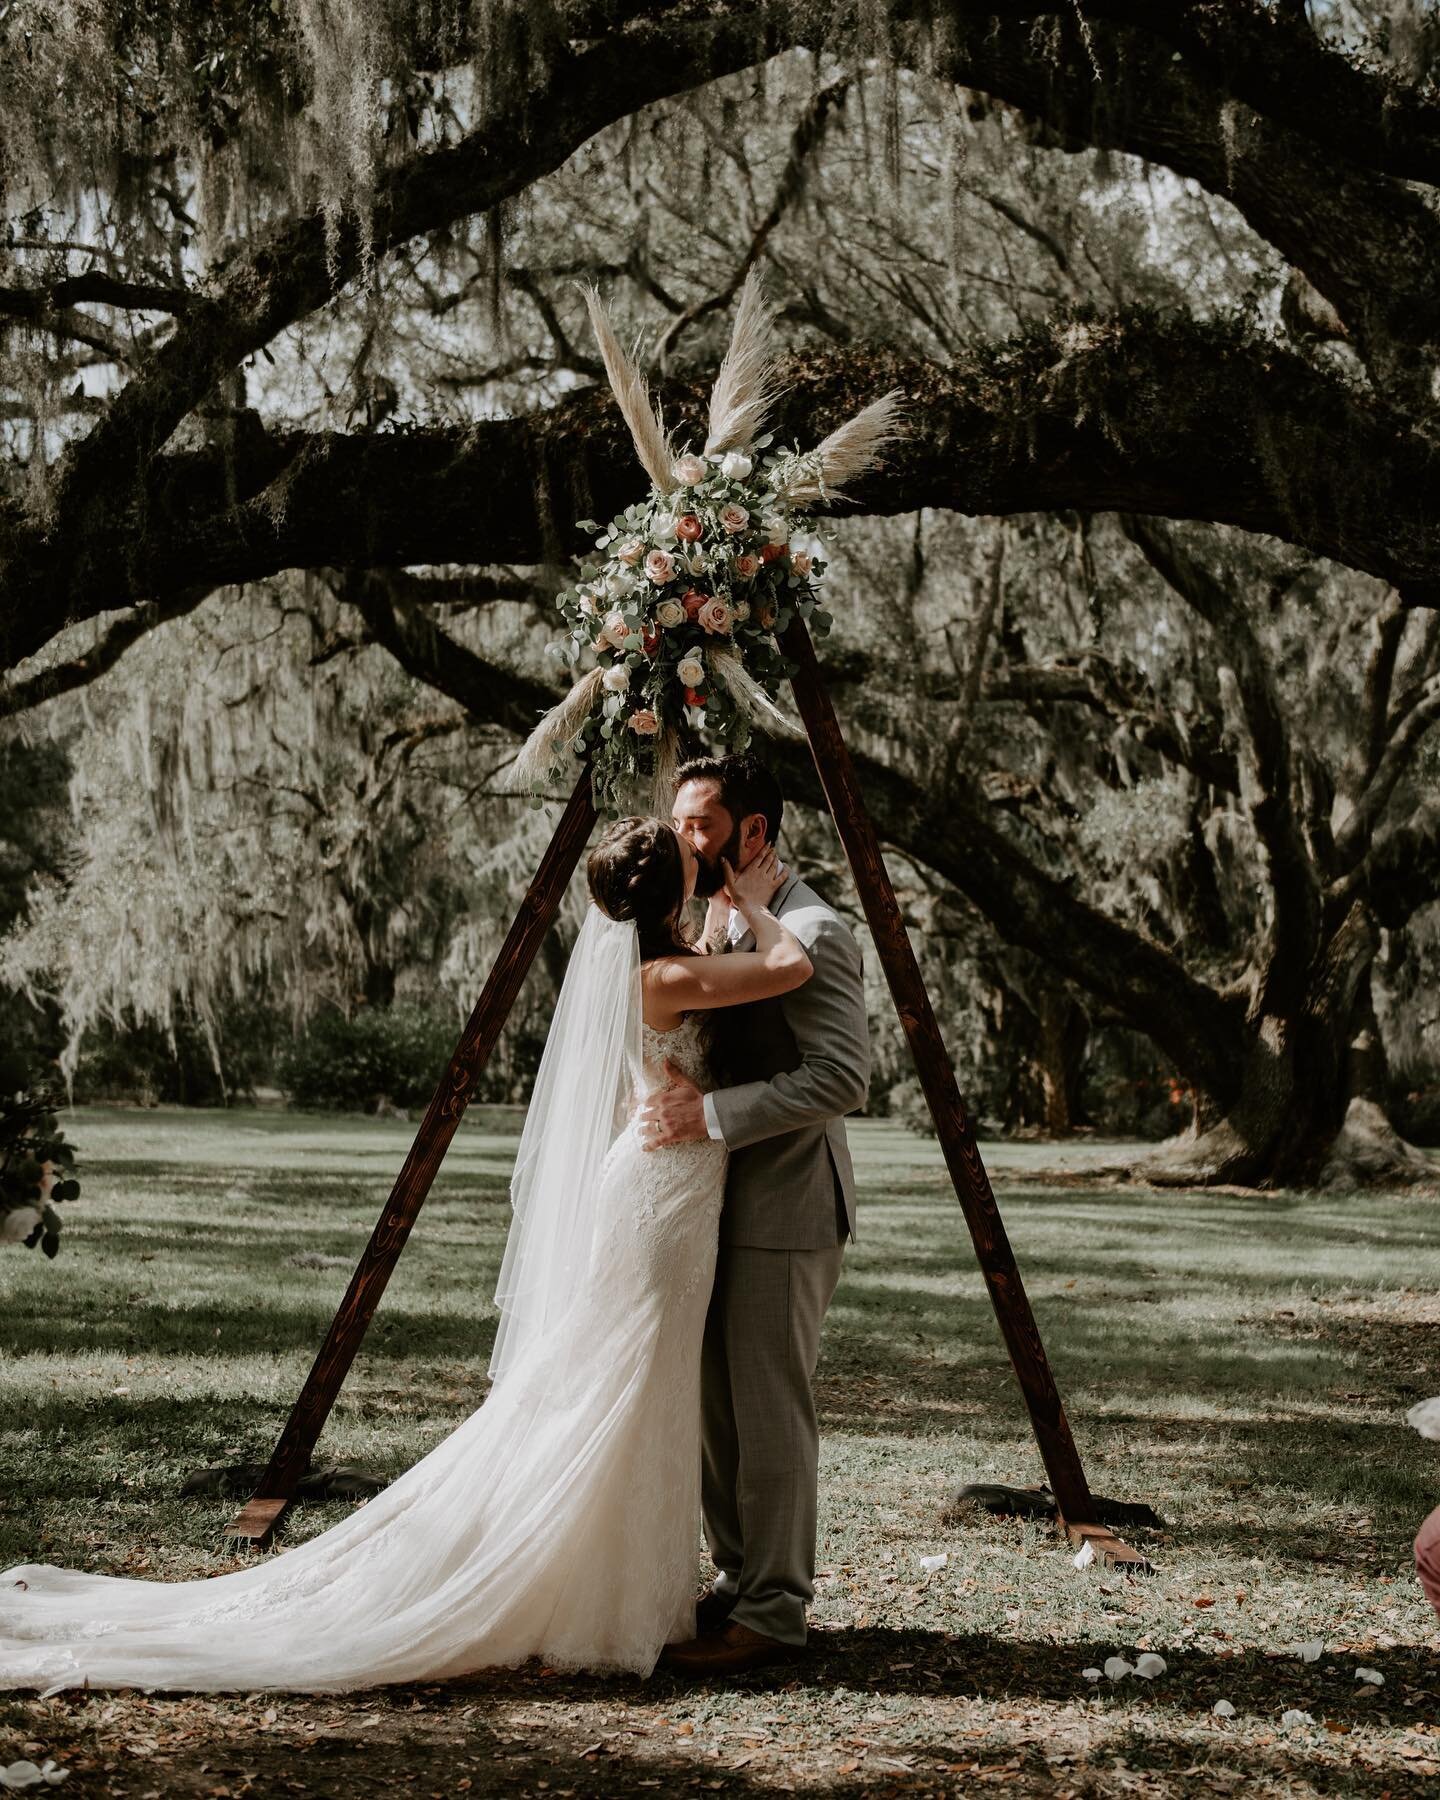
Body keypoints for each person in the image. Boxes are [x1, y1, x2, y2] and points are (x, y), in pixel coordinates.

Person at [0, 816, 811, 1693]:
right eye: (694, 860)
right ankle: (596, 1591)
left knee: (638, 1383)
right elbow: (790, 968)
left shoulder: (656, 963)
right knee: (624, 1382)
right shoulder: (668, 974)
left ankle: (628, 1589)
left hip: (668, 1187)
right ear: (672, 891)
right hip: (663, 1199)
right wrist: (763, 906)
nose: (708, 862)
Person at [643, 754, 870, 1676]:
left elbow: (841, 1077)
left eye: (701, 824)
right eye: (679, 822)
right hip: (715, 1204)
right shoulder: (726, 920)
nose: (684, 840)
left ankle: (775, 1612)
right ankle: (739, 1583)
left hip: (786, 1203)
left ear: (755, 834)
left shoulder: (816, 931)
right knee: (719, 1413)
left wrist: (709, 1115)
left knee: (770, 1413)